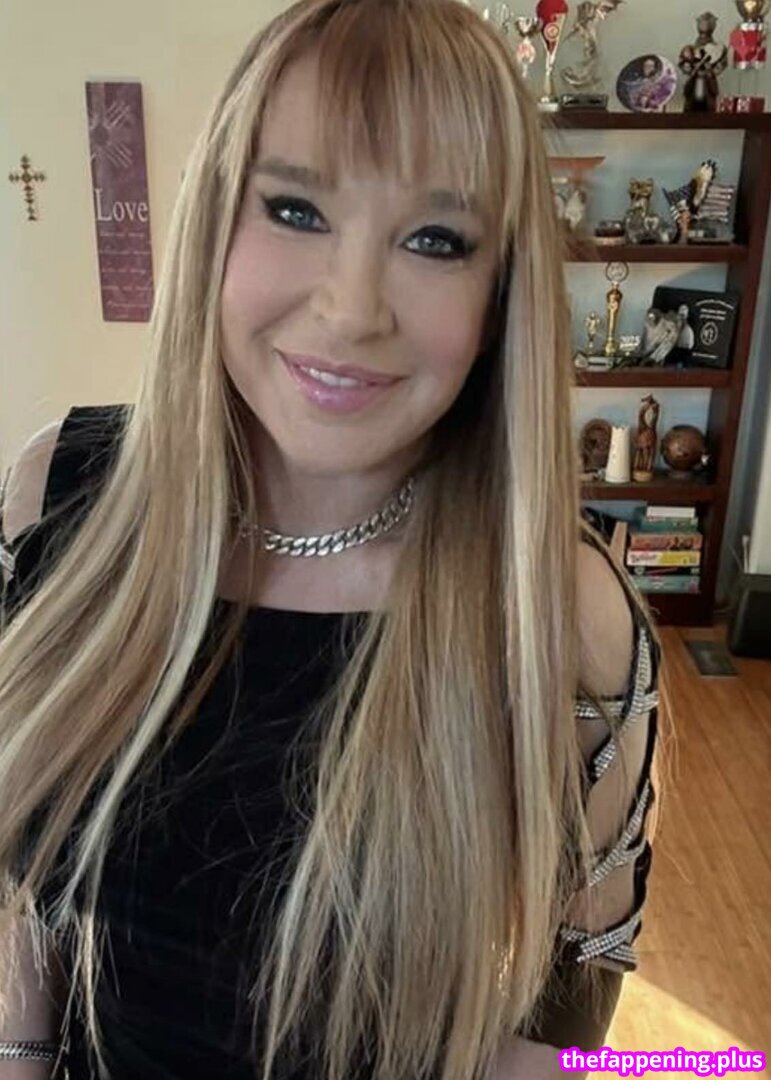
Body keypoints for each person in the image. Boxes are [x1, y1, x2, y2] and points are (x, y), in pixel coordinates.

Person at [0, 0, 670, 1077]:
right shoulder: (56, 500)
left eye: (436, 240)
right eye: (295, 209)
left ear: (500, 293)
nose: (353, 309)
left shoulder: (558, 611)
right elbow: (24, 894)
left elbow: (564, 1011)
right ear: (216, 216)